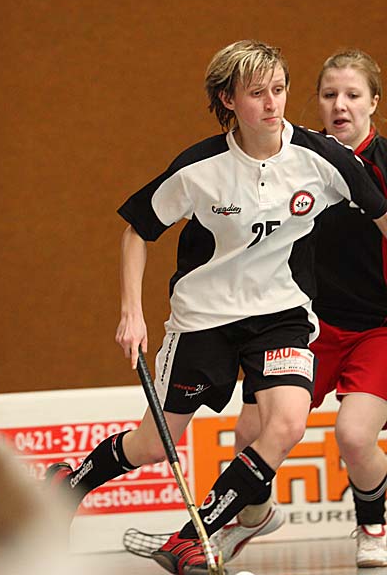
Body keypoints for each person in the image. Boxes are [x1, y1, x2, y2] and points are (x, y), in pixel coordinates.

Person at [46, 40, 387, 575]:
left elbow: (381, 214)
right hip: (204, 319)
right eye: (257, 93)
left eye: (279, 89)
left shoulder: (321, 158)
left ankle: (194, 538)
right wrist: (131, 312)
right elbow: (138, 230)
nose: (272, 104)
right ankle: (68, 485)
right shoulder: (199, 168)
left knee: (286, 424)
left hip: (281, 316)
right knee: (151, 445)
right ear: (228, 100)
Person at [224, 48, 387, 569]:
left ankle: (372, 523)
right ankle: (255, 515)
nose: (340, 105)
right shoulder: (297, 160)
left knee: (354, 435)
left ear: (373, 103)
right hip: (306, 326)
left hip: (378, 331)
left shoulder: (382, 167)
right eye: (329, 94)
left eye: (353, 95)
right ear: (316, 101)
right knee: (248, 433)